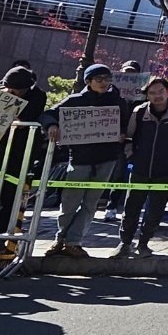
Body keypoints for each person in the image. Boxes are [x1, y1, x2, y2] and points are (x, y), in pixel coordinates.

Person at [45, 64, 126, 259]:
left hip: (107, 158)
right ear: (88, 81)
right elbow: (48, 114)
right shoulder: (75, 100)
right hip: (80, 157)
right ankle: (60, 239)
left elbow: (126, 125)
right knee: (69, 202)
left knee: (91, 202)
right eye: (99, 79)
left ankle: (74, 242)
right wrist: (52, 125)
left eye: (107, 79)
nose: (104, 83)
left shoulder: (118, 101)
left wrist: (123, 134)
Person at [112, 77, 168, 259]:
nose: (157, 96)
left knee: (156, 209)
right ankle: (125, 243)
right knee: (131, 207)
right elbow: (129, 137)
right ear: (147, 95)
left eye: (160, 91)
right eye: (152, 93)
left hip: (167, 170)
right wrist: (131, 156)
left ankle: (144, 243)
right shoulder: (140, 112)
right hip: (140, 168)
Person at [0, 66, 47, 258]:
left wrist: (9, 105)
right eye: (9, 88)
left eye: (17, 90)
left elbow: (25, 117)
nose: (11, 92)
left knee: (8, 195)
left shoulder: (38, 96)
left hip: (17, 153)